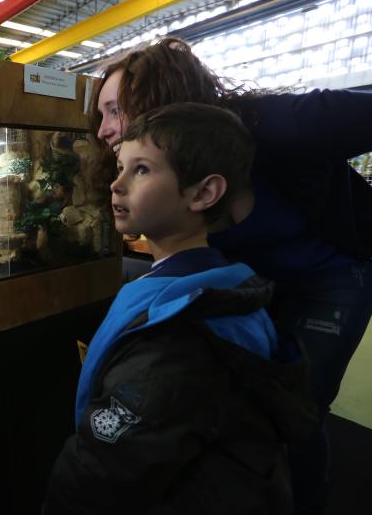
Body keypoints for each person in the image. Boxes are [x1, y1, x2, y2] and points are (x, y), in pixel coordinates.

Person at [91, 38, 372, 515]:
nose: (103, 130)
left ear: (161, 97)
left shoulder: (276, 129)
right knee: (245, 405)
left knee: (296, 410)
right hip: (257, 279)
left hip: (333, 276)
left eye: (115, 110)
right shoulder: (161, 169)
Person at [44, 103, 315, 514]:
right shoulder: (224, 283)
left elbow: (107, 471)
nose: (116, 185)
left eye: (142, 170)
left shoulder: (180, 331)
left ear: (203, 193)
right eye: (121, 167)